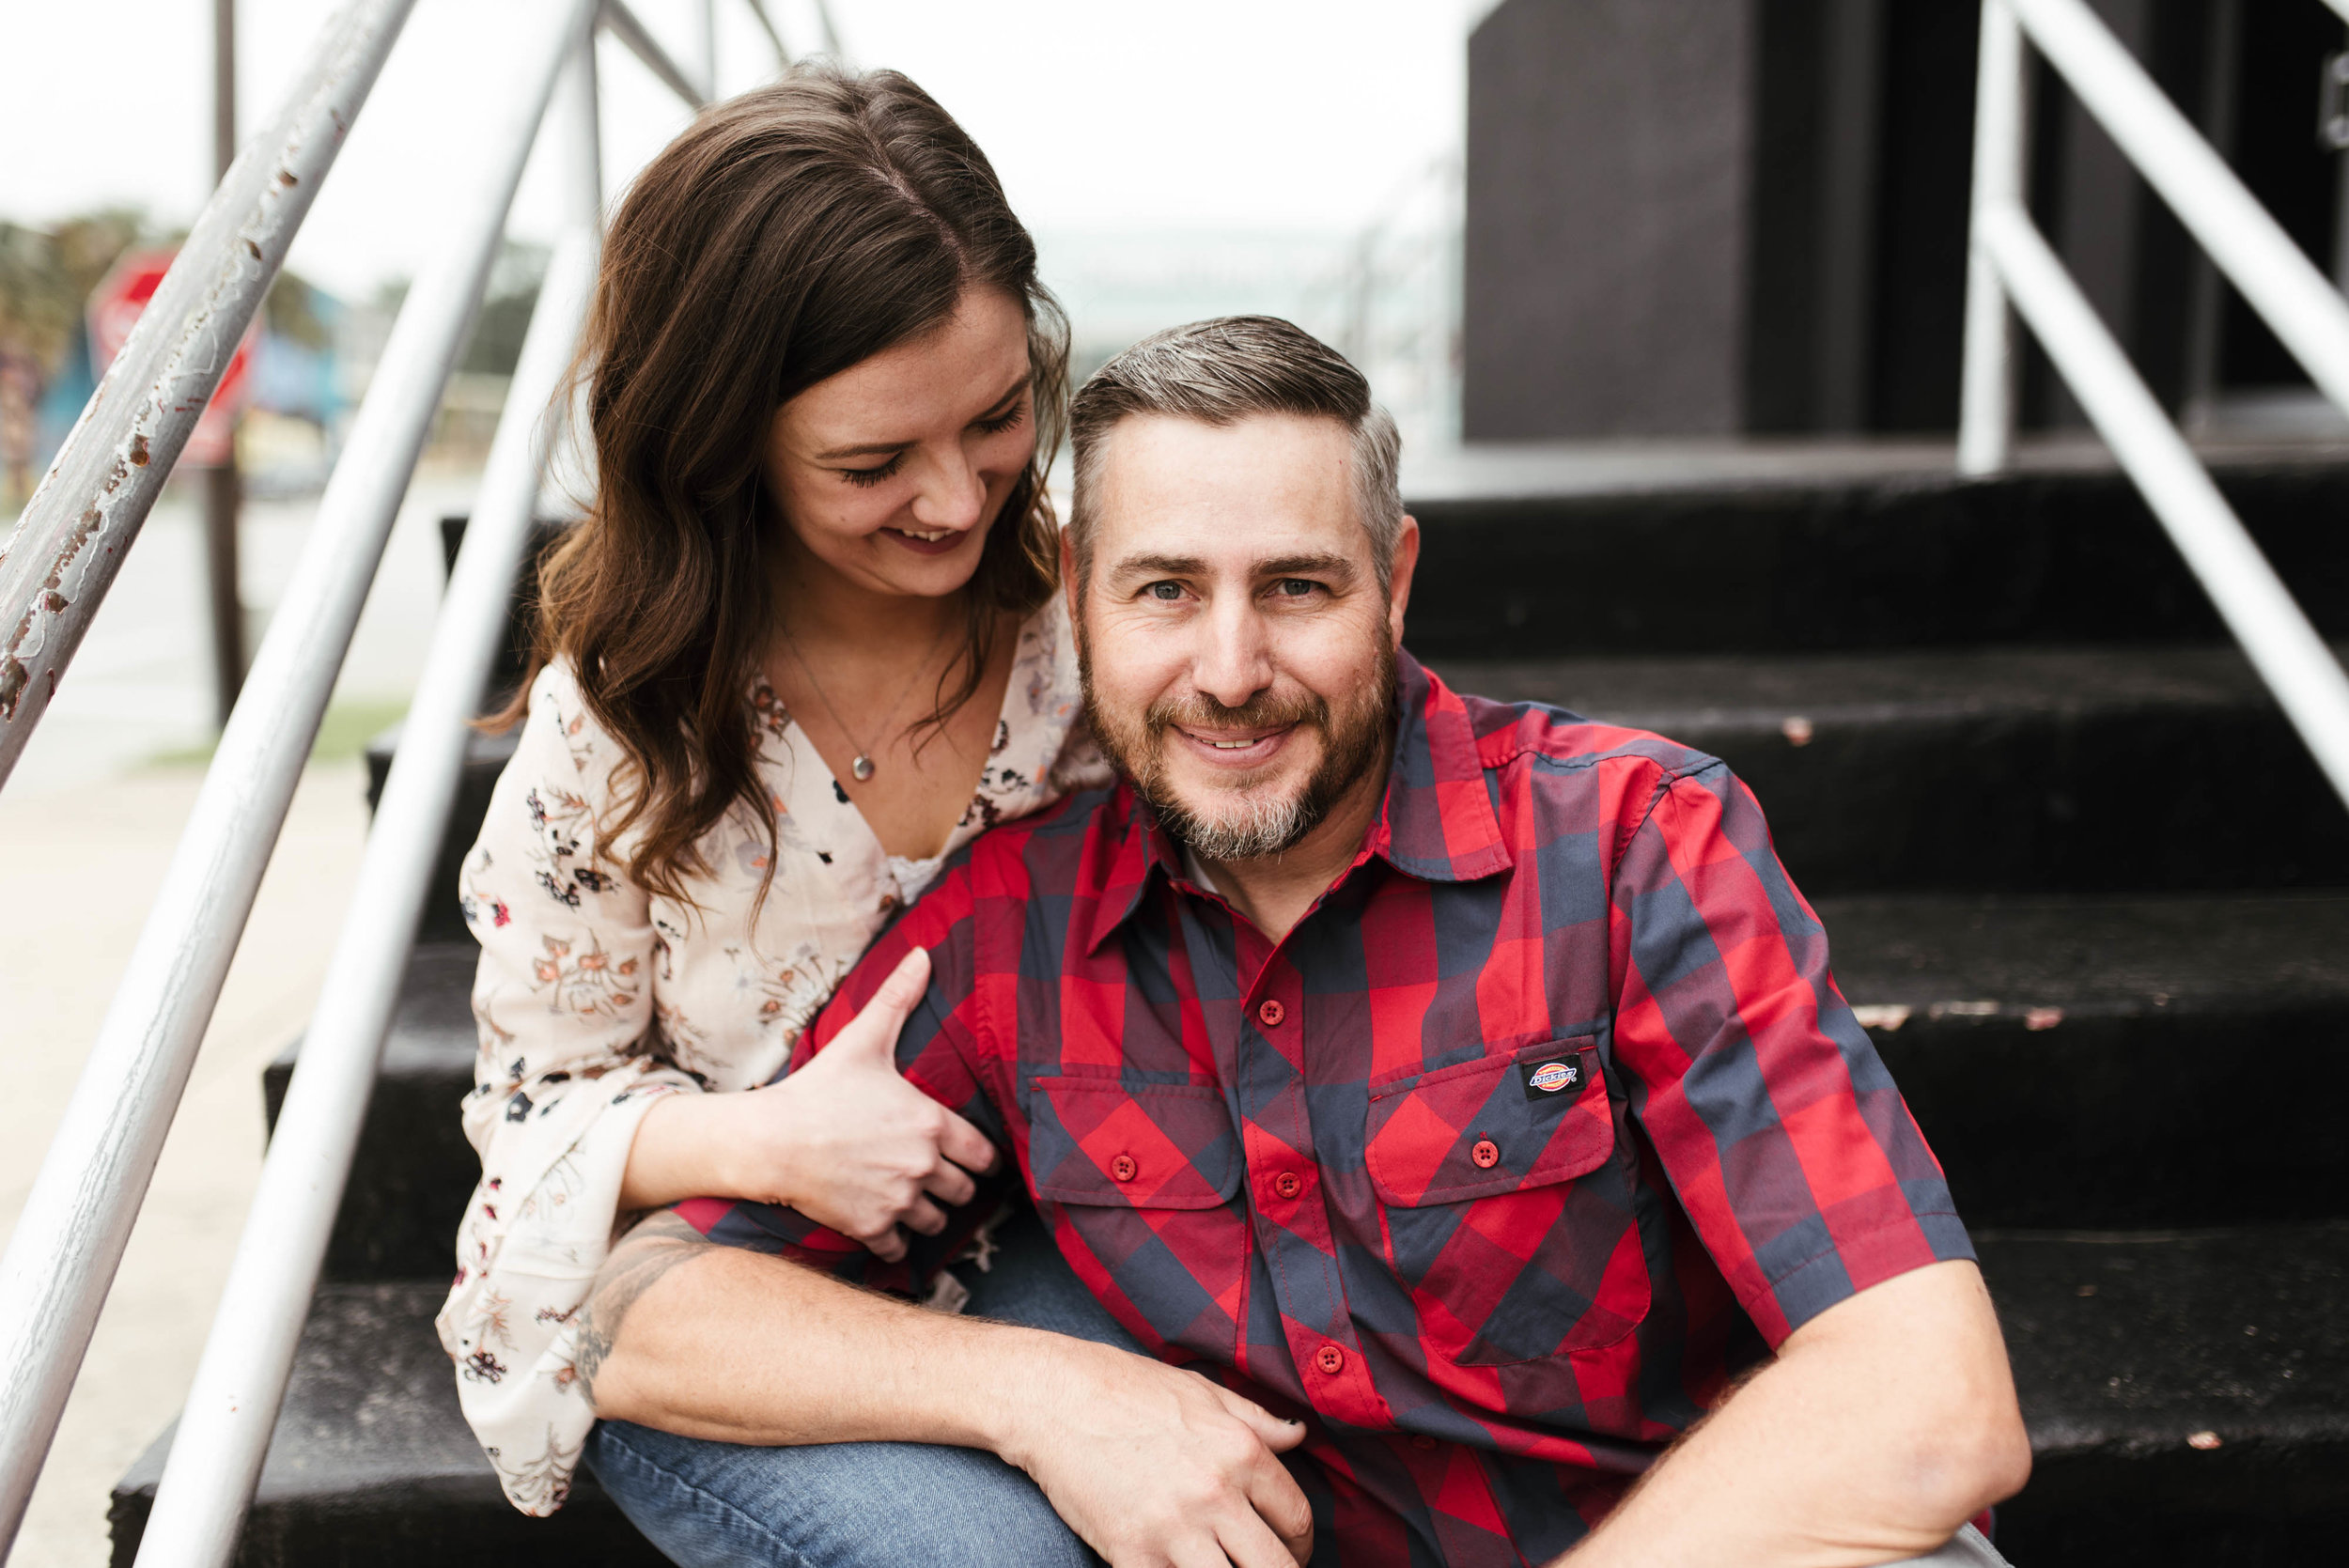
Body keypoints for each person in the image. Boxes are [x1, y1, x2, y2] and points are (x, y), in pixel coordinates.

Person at [568, 314, 2034, 1568]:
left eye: (1295, 586)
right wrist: (1044, 1391)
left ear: (1394, 581)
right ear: (1077, 592)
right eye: (1164, 590)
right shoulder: (1018, 932)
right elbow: (651, 1315)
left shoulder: (1636, 843)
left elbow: (1928, 1397)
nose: (1229, 672)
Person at [434, 65, 1108, 1513]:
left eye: (996, 417)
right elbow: (537, 1105)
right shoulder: (623, 726)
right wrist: (772, 1137)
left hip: (1091, 1241)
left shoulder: (1104, 623)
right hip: (738, 1290)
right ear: (727, 441)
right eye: (873, 461)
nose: (957, 499)